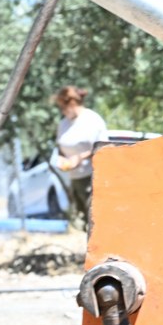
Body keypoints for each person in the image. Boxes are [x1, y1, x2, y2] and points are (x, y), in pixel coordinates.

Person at [51, 86, 107, 226]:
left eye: (63, 107)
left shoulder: (92, 120)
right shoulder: (63, 124)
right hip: (74, 179)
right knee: (82, 222)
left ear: (72, 103)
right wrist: (62, 158)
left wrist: (80, 158)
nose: (62, 111)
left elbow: (104, 148)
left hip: (92, 178)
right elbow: (61, 148)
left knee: (96, 222)